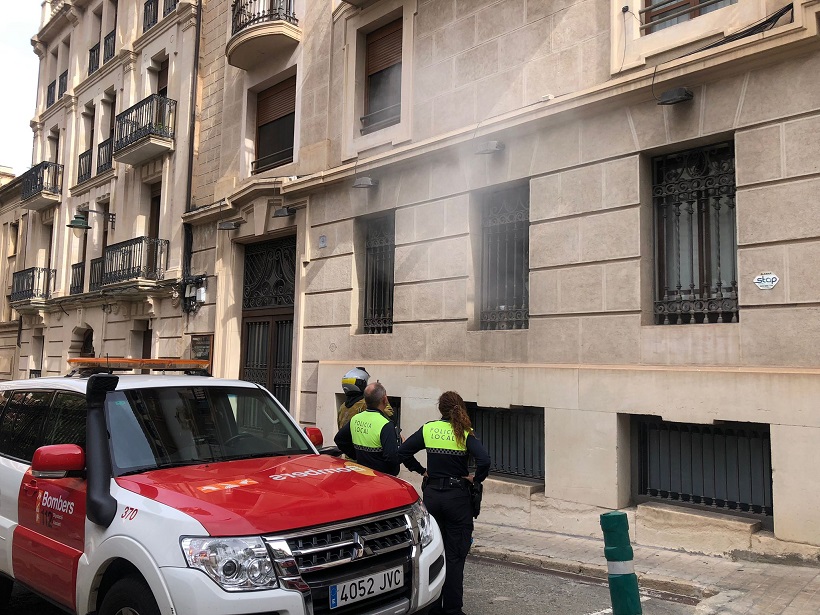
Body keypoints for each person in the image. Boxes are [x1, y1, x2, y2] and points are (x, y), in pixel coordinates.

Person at [398, 391, 491, 615]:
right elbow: (485, 460)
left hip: (433, 497)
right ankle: (452, 609)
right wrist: (475, 478)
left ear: (440, 410)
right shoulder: (464, 433)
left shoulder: (429, 428)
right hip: (457, 499)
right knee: (455, 554)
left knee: (432, 551)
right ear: (459, 408)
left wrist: (421, 471)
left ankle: (432, 606)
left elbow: (403, 452)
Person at [334, 382, 425, 477]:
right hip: (381, 479)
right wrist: (401, 447)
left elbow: (339, 440)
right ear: (384, 399)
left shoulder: (355, 419)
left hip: (361, 473)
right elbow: (392, 458)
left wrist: (356, 456)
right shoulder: (385, 424)